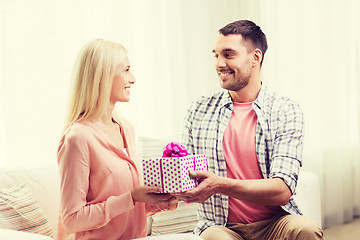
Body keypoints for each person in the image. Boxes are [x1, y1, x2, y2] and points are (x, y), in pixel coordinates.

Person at [175, 20, 324, 240]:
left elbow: (282, 190)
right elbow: (184, 173)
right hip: (221, 225)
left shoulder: (284, 109)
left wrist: (220, 185)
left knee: (306, 229)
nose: (219, 63)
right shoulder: (199, 109)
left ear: (255, 57)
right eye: (215, 55)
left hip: (275, 223)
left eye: (228, 54)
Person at [57, 39, 176, 240]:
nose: (133, 78)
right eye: (126, 70)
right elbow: (72, 219)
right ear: (101, 77)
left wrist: (160, 201)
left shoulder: (125, 127)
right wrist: (130, 198)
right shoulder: (78, 138)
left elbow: (126, 209)